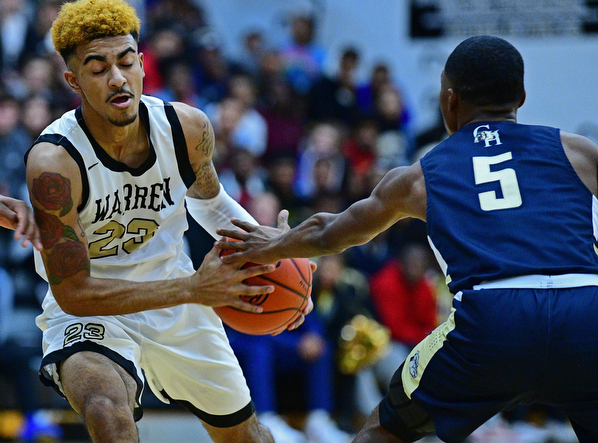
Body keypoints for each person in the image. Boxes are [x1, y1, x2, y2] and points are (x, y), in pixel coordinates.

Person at [217, 35, 598, 442]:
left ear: (449, 101)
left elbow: (330, 234)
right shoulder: (577, 151)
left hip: (493, 318)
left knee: (384, 430)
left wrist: (273, 244)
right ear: (521, 96)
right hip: (586, 312)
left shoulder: (421, 176)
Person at [24, 0, 310, 443]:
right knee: (105, 410)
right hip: (95, 306)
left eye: (126, 62)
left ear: (142, 63)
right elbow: (75, 292)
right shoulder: (54, 162)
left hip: (177, 301)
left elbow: (212, 206)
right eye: (98, 69)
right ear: (73, 80)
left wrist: (276, 255)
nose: (117, 78)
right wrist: (194, 287)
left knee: (248, 437)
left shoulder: (187, 128)